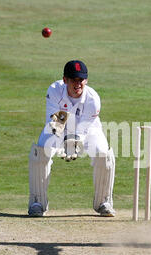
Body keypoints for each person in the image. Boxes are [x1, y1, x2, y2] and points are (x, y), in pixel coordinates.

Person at [28, 60, 116, 217]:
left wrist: (74, 144)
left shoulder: (93, 99)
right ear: (65, 80)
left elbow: (83, 129)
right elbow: (55, 122)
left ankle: (104, 201)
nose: (78, 84)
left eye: (81, 80)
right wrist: (64, 142)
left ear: (86, 80)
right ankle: (37, 202)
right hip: (58, 125)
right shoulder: (54, 90)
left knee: (103, 154)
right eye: (73, 79)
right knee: (41, 151)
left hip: (89, 130)